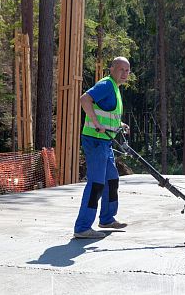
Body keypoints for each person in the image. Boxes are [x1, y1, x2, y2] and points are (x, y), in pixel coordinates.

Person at [74, 57, 131, 239]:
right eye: (121, 69)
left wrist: (119, 124)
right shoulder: (106, 84)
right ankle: (82, 227)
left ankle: (107, 218)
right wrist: (96, 123)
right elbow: (85, 99)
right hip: (96, 141)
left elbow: (106, 112)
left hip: (104, 142)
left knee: (111, 179)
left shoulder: (114, 87)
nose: (124, 73)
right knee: (96, 183)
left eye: (127, 70)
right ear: (112, 69)